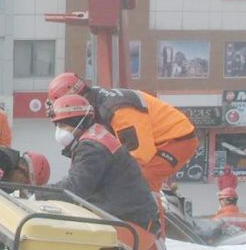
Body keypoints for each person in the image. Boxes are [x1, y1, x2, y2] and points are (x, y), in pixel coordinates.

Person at [47, 95, 168, 250]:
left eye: (63, 125)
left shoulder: (92, 148)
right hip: (133, 221)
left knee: (66, 230)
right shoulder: (94, 138)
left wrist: (41, 194)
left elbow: (75, 187)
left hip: (130, 227)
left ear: (78, 122)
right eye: (57, 125)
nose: (59, 131)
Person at [45, 73, 197, 193]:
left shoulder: (118, 112)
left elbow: (140, 155)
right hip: (158, 138)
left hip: (176, 139)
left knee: (140, 181)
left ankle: (151, 229)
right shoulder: (95, 101)